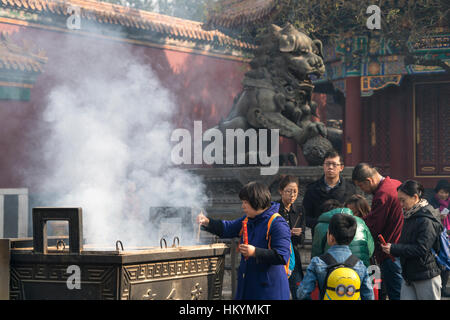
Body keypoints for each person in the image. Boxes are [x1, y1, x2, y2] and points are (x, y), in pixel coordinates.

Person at [197, 181, 291, 300]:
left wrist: (255, 252)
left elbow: (282, 256)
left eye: (245, 202)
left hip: (269, 290)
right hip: (248, 284)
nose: (243, 206)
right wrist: (207, 222)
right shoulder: (248, 219)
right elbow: (228, 228)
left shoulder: (277, 223)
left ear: (256, 201)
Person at [381, 180, 443, 300]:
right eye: (399, 200)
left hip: (426, 274)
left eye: (403, 200)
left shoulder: (426, 219)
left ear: (415, 197)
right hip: (409, 274)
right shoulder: (410, 215)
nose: (400, 204)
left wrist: (394, 248)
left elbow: (421, 248)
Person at [352, 163, 404, 300]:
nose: (363, 190)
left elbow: (374, 225)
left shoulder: (382, 194)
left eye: (362, 186)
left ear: (369, 180)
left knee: (395, 293)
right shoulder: (395, 183)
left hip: (390, 251)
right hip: (401, 247)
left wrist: (355, 223)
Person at [297, 213, 374, 300]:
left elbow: (302, 293)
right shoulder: (360, 265)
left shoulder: (318, 262)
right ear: (351, 239)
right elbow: (369, 295)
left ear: (331, 237)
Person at [302, 150, 356, 235]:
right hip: (320, 235)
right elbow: (305, 216)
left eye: (334, 164)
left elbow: (354, 216)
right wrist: (322, 223)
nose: (330, 167)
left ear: (341, 167)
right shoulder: (312, 189)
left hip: (343, 237)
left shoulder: (350, 189)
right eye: (327, 164)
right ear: (323, 166)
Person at [311, 199, 374, 267]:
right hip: (360, 267)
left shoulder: (321, 226)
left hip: (331, 271)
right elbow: (370, 251)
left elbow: (316, 253)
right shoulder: (360, 222)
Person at [277, 175, 306, 299]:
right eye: (288, 191)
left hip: (293, 255)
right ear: (281, 191)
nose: (292, 195)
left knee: (297, 290)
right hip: (277, 255)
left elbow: (302, 240)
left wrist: (299, 234)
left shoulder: (299, 210)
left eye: (295, 191)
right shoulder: (274, 209)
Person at [427, 179, 450, 298]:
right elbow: (428, 218)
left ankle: (444, 287)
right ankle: (437, 286)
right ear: (437, 191)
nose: (444, 195)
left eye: (446, 193)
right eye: (442, 192)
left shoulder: (449, 203)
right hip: (436, 235)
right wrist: (438, 216)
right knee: (437, 262)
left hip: (448, 235)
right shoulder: (431, 202)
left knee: (446, 262)